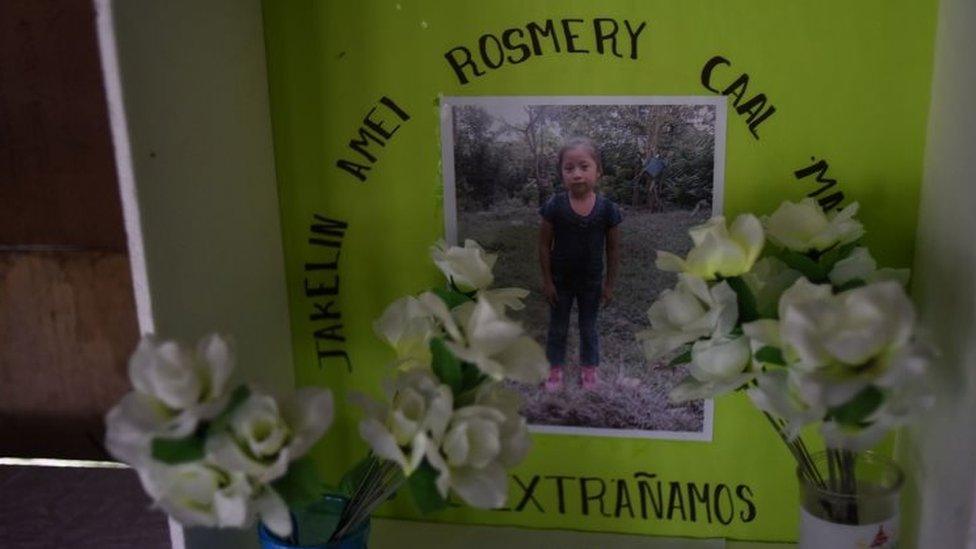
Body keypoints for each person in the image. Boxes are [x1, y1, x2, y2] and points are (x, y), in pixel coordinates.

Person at [539, 137, 621, 391]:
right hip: (561, 282)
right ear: (562, 173)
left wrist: (609, 285)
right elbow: (543, 245)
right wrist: (548, 281)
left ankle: (589, 372)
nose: (576, 174)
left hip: (591, 283)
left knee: (589, 327)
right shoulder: (554, 206)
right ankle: (553, 371)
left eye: (584, 167)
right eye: (569, 168)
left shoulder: (608, 210)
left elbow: (613, 249)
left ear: (598, 171)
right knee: (558, 327)